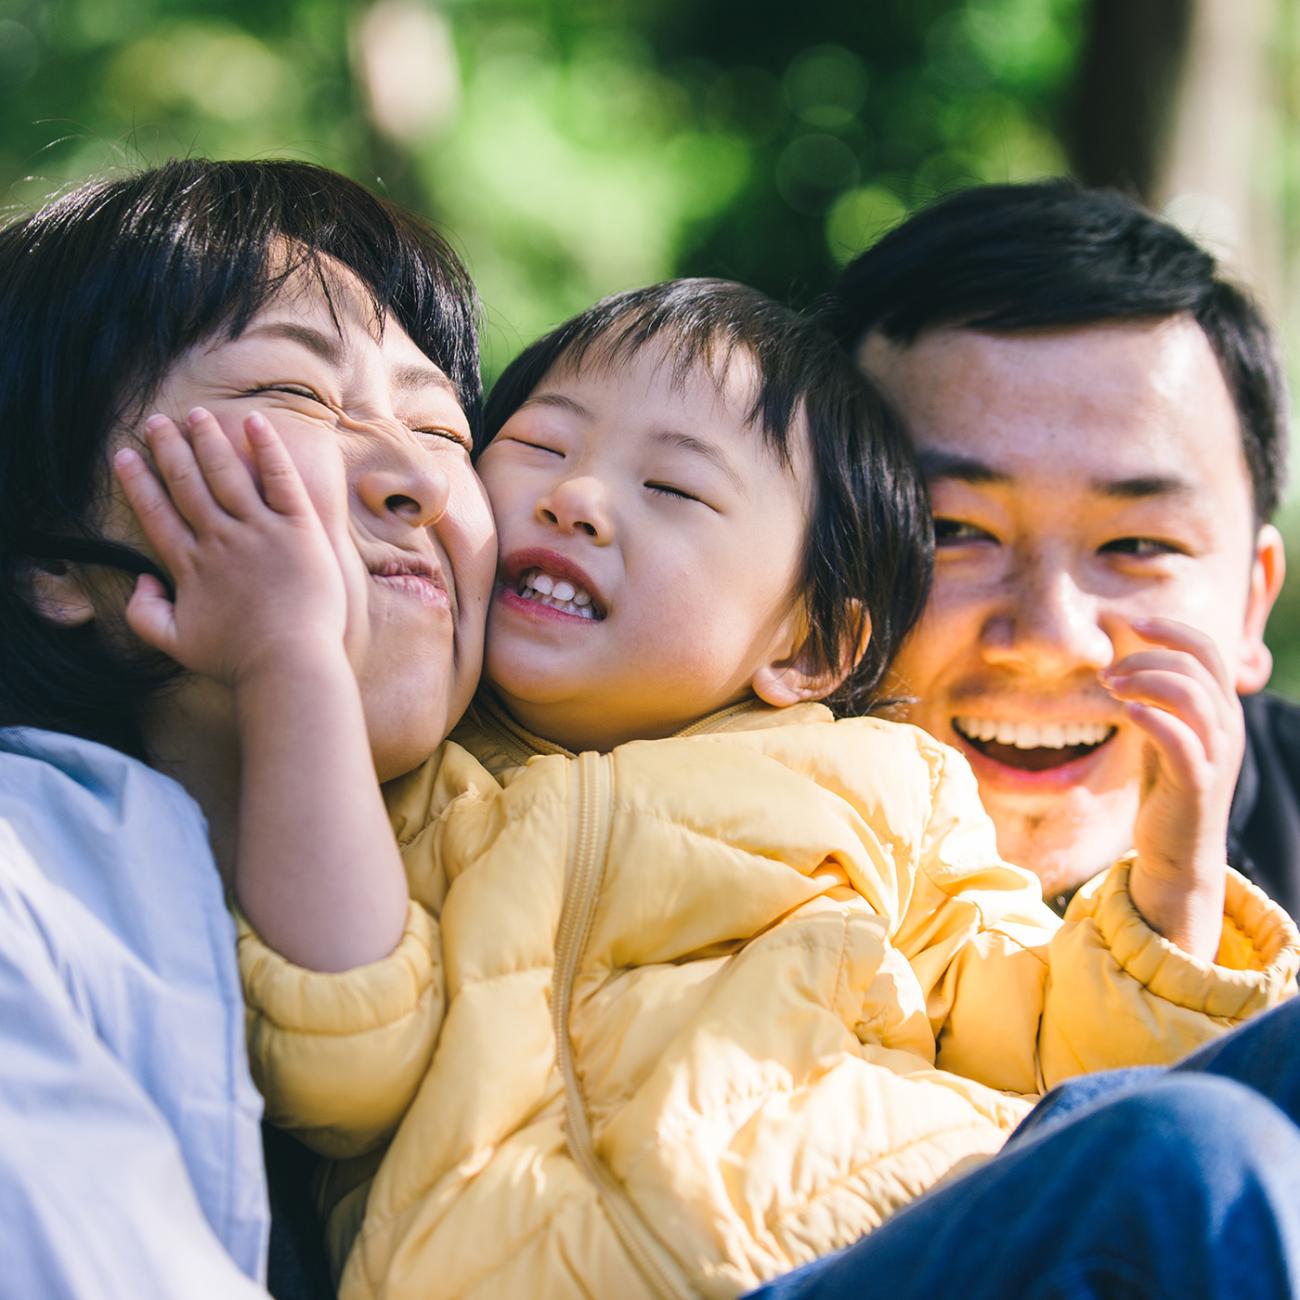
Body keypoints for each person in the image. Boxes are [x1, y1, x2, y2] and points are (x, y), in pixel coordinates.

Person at [122, 278, 1298, 1299]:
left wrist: (1174, 880)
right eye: (538, 445)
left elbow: (1043, 1040)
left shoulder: (889, 785)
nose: (576, 496)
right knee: (1187, 1156)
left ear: (809, 648)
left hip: (917, 1236)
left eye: (673, 491)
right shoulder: (406, 783)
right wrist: (297, 670)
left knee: (1226, 1103)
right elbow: (338, 1067)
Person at [0, 157, 496, 1298]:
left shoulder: (570, 867)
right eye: (296, 397)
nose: (412, 480)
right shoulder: (23, 885)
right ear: (50, 557)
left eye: (443, 429)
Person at [821, 178, 1300, 918]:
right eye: (951, 530)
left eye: (1138, 543)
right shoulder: (650, 843)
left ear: (1252, 600)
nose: (1050, 638)